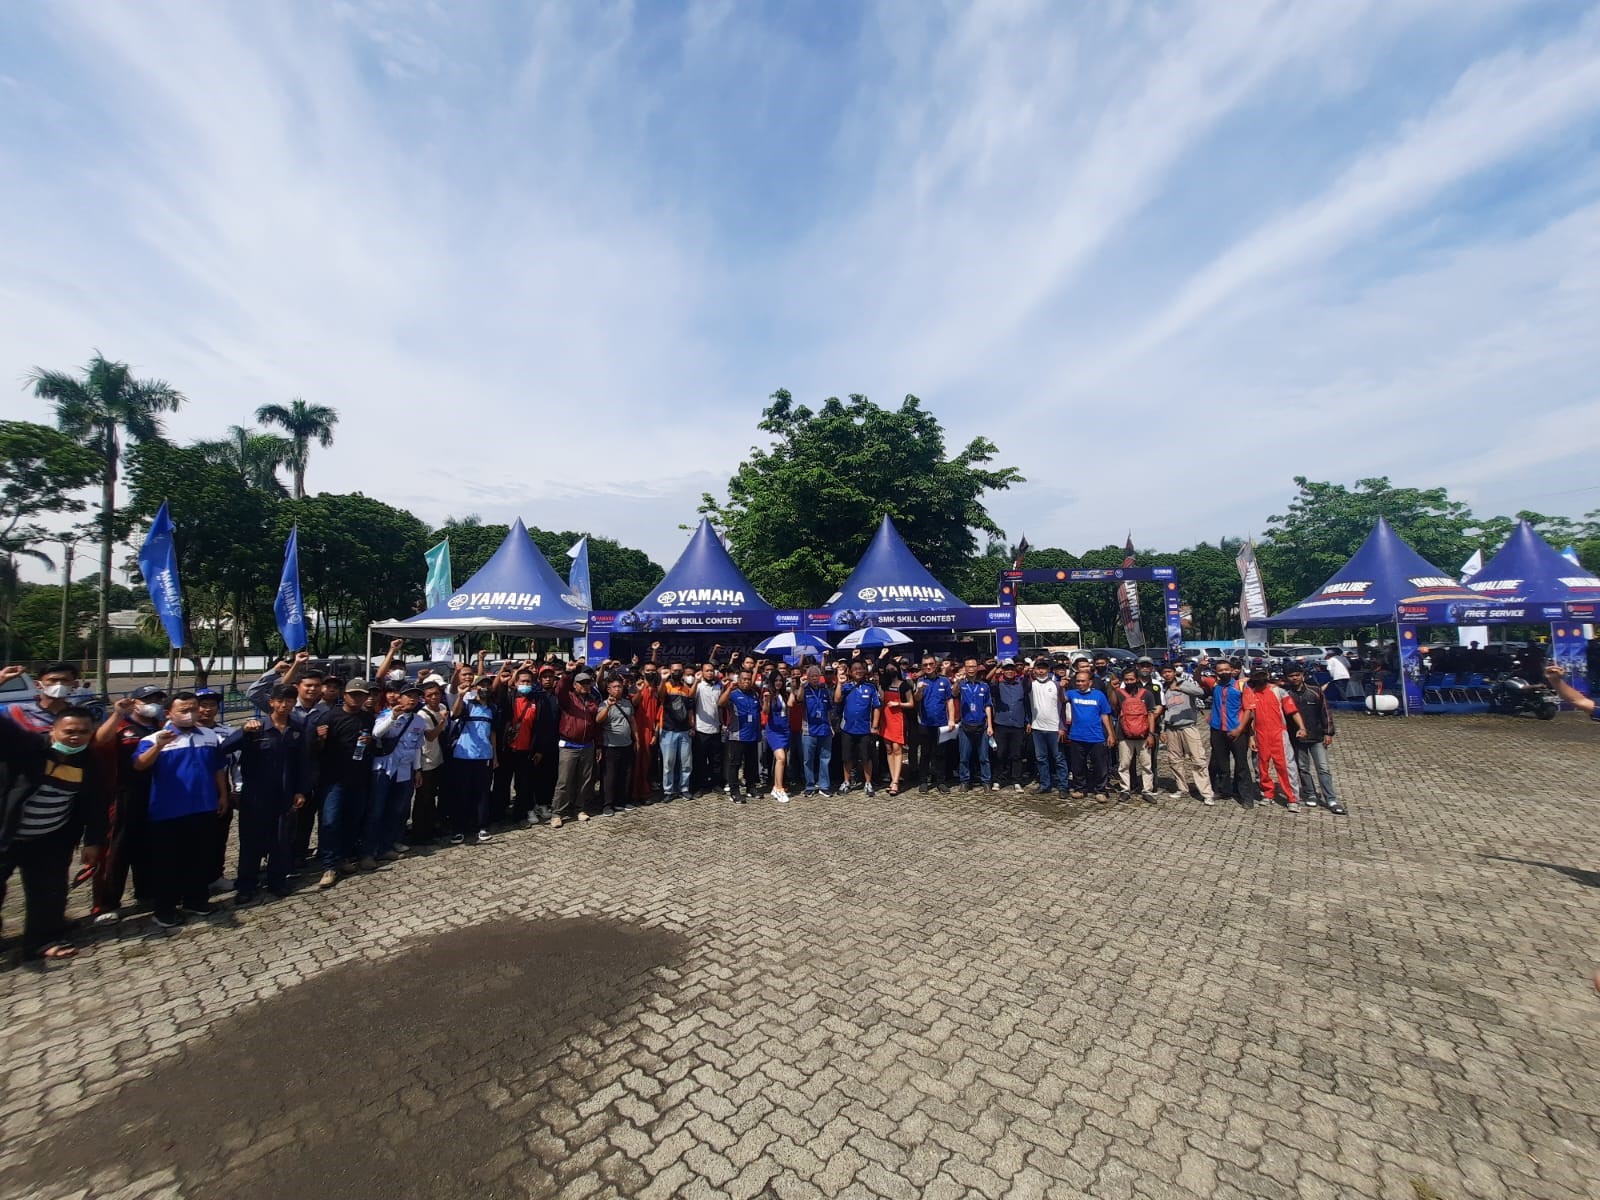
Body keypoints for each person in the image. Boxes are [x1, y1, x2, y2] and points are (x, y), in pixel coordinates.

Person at [0, 698, 109, 960]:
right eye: (69, 731)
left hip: (50, 839)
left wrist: (93, 841)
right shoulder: (30, 749)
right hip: (7, 836)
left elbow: (95, 805)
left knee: (49, 891)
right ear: (53, 730)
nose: (75, 737)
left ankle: (41, 940)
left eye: (83, 732)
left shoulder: (89, 763)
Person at [133, 692, 230, 927]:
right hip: (169, 811)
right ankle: (164, 909)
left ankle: (195, 901)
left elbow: (217, 767)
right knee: (168, 862)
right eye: (184, 710)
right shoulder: (153, 739)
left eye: (193, 709)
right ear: (169, 713)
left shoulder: (209, 736)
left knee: (200, 857)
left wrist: (223, 794)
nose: (190, 714)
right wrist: (159, 746)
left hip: (204, 806)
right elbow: (139, 764)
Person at [91, 685, 165, 922]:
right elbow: (100, 741)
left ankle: (146, 890)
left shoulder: (160, 727)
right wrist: (117, 713)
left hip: (153, 792)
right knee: (118, 848)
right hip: (124, 792)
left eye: (157, 700)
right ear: (135, 702)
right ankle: (108, 902)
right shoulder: (122, 725)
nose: (153, 704)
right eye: (148, 700)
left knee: (148, 844)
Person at [234, 684, 310, 900]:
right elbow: (226, 748)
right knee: (251, 842)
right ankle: (246, 885)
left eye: (289, 700)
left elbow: (302, 764)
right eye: (280, 700)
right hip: (255, 796)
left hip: (284, 796)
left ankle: (277, 881)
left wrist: (301, 791)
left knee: (281, 841)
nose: (284, 705)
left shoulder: (297, 729)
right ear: (271, 703)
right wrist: (243, 731)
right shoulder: (256, 728)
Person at [310, 678, 376, 886]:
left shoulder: (368, 719)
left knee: (352, 820)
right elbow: (313, 750)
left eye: (361, 695)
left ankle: (345, 857)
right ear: (344, 695)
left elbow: (374, 748)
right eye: (353, 694)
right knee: (330, 821)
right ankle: (329, 865)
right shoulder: (329, 717)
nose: (356, 698)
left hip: (358, 777)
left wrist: (370, 742)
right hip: (333, 779)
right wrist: (320, 739)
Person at [365, 682, 431, 861]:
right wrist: (393, 717)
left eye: (416, 696)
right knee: (377, 810)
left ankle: (387, 846)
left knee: (397, 809)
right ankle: (369, 850)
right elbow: (377, 733)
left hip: (405, 770)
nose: (412, 699)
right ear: (400, 698)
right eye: (409, 696)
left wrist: (417, 769)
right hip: (384, 769)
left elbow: (417, 747)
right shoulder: (386, 714)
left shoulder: (418, 720)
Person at [1237, 665, 1308, 812]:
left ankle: (1292, 799)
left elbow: (1293, 711)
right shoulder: (1250, 693)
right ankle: (1267, 794)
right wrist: (1251, 737)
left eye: (1262, 675)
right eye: (1257, 675)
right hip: (1260, 735)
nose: (1260, 678)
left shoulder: (1279, 691)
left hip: (1279, 734)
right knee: (1261, 767)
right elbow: (1248, 718)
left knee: (1285, 767)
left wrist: (1302, 727)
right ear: (1252, 677)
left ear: (1267, 675)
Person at [1283, 664, 1346, 815]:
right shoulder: (1286, 694)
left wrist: (1328, 733)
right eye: (1291, 676)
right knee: (1303, 768)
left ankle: (1331, 799)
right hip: (1297, 739)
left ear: (1302, 675)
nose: (1295, 678)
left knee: (1323, 768)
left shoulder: (1315, 691)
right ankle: (1310, 793)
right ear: (1287, 678)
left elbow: (1326, 712)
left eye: (1297, 675)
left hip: (1317, 737)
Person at [448, 675, 498, 844]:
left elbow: (493, 733)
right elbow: (454, 714)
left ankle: (482, 826)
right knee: (461, 793)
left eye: (488, 685)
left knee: (483, 793)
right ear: (475, 688)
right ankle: (459, 829)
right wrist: (460, 696)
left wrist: (495, 756)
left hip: (485, 756)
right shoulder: (467, 704)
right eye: (481, 685)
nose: (485, 688)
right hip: (463, 756)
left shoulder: (493, 708)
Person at [1158, 664, 1214, 806]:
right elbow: (1164, 710)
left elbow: (1200, 692)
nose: (1167, 674)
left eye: (1169, 672)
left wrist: (1181, 688)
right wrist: (1163, 730)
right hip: (1171, 728)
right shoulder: (1163, 688)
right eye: (1164, 672)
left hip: (1188, 726)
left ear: (1174, 672)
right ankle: (1182, 788)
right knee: (1174, 760)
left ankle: (1206, 793)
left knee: (1198, 759)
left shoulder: (1184, 683)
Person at [552, 667, 600, 827]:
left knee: (584, 781)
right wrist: (566, 673)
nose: (585, 685)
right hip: (569, 746)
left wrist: (598, 745)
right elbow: (560, 690)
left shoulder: (593, 700)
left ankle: (580, 808)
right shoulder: (568, 698)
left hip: (588, 745)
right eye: (582, 683)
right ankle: (557, 812)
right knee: (564, 781)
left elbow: (596, 724)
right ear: (575, 685)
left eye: (588, 682)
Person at [1064, 665, 1115, 799]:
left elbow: (1105, 715)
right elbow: (1060, 700)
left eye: (1083, 681)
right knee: (1078, 766)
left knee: (1099, 765)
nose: (1080, 683)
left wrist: (1110, 734)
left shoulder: (1099, 696)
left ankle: (1100, 790)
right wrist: (1060, 686)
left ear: (1090, 682)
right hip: (1077, 735)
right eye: (1078, 681)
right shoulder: (1072, 694)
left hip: (1096, 736)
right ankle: (1080, 788)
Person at [833, 659, 882, 796]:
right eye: (855, 669)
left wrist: (875, 726)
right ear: (850, 671)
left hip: (865, 729)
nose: (858, 671)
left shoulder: (871, 687)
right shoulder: (846, 686)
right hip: (848, 728)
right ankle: (846, 782)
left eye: (860, 668)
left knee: (866, 758)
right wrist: (839, 683)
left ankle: (868, 783)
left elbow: (877, 707)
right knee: (847, 758)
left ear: (864, 671)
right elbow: (836, 699)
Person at [1208, 660, 1254, 805]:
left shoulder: (1241, 685)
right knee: (1222, 763)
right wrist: (1201, 667)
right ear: (1216, 672)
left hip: (1237, 730)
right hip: (1217, 730)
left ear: (1231, 670)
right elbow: (1198, 679)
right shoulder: (1215, 685)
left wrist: (1239, 729)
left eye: (1226, 669)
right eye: (1220, 670)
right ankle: (1224, 791)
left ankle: (1245, 796)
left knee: (1241, 765)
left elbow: (1248, 710)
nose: (1224, 672)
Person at [1114, 667, 1162, 802]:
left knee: (1146, 764)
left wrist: (1151, 734)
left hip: (1144, 734)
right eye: (1126, 679)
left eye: (1132, 679)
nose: (1129, 682)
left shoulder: (1147, 694)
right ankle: (1125, 790)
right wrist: (1113, 689)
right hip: (1124, 735)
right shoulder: (1118, 693)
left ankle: (1147, 790)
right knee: (1124, 764)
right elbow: (1113, 706)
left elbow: (1151, 715)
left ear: (1137, 679)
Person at [910, 655, 956, 794]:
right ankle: (923, 781)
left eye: (931, 664)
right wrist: (919, 689)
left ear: (936, 665)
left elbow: (949, 701)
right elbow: (917, 699)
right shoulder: (920, 681)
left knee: (941, 754)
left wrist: (951, 719)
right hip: (925, 723)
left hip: (941, 723)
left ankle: (940, 781)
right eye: (925, 665)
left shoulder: (944, 681)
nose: (928, 667)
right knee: (925, 754)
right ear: (922, 667)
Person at [596, 677, 640, 815]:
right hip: (610, 745)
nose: (617, 689)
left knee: (625, 774)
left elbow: (632, 721)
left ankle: (622, 801)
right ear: (609, 689)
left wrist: (637, 739)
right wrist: (608, 707)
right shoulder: (603, 704)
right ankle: (607, 804)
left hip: (626, 744)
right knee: (609, 776)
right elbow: (598, 720)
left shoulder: (627, 703)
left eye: (620, 686)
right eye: (614, 687)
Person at [1025, 657, 1068, 796]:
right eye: (1038, 668)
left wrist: (1062, 727)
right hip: (1037, 728)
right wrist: (1026, 673)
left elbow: (1063, 707)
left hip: (1054, 728)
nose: (1041, 671)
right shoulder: (1031, 685)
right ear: (1035, 670)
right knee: (1041, 758)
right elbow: (1024, 687)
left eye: (1043, 668)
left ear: (1048, 670)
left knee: (1059, 758)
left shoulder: (1056, 685)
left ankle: (1063, 787)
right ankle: (1045, 784)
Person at [0, 661, 82, 733]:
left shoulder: (81, 715)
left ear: (75, 684)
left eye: (65, 680)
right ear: (38, 684)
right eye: (53, 680)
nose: (59, 684)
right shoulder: (17, 711)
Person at [720, 668, 763, 802]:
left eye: (749, 679)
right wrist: (729, 688)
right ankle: (734, 791)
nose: (746, 682)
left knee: (751, 764)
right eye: (744, 679)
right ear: (738, 680)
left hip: (752, 735)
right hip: (737, 735)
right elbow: (720, 703)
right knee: (735, 764)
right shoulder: (733, 694)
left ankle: (751, 788)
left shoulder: (755, 694)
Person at [987, 659, 1028, 793]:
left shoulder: (1021, 684)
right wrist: (996, 670)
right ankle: (997, 779)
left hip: (1018, 724)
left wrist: (1028, 721)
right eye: (1007, 669)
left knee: (1017, 754)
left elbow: (1027, 702)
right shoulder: (998, 685)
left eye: (1011, 669)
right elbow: (989, 682)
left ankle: (1016, 780)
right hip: (1001, 723)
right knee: (1000, 753)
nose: (1009, 671)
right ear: (1003, 671)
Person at [658, 662, 696, 802]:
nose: (677, 672)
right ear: (670, 671)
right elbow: (660, 696)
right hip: (668, 731)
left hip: (685, 731)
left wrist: (692, 726)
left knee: (686, 763)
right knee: (668, 763)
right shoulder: (666, 686)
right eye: (674, 670)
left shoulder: (686, 688)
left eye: (679, 670)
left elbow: (690, 709)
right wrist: (663, 680)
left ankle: (684, 789)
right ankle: (668, 791)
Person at [955, 658, 994, 793]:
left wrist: (990, 725)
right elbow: (954, 693)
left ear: (977, 668)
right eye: (968, 666)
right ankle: (964, 781)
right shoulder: (961, 684)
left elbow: (988, 705)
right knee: (964, 757)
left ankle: (986, 782)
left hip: (981, 726)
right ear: (964, 668)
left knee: (984, 757)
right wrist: (957, 682)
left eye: (973, 666)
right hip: (965, 726)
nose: (971, 669)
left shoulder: (984, 686)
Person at [797, 665, 834, 797]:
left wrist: (830, 726)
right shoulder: (805, 690)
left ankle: (824, 786)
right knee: (808, 760)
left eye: (816, 676)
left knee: (825, 758)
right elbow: (799, 699)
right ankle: (810, 785)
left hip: (824, 729)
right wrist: (801, 686)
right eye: (812, 676)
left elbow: (828, 710)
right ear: (807, 677)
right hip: (809, 730)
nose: (814, 678)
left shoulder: (824, 691)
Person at [691, 661, 725, 796]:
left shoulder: (718, 686)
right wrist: (696, 681)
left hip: (716, 728)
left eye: (712, 670)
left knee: (716, 759)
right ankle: (701, 785)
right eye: (707, 671)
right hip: (701, 729)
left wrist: (722, 723)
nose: (710, 673)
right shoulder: (699, 686)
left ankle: (716, 784)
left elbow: (720, 707)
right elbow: (690, 698)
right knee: (700, 760)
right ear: (702, 672)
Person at [878, 664, 911, 796]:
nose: (890, 671)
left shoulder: (904, 685)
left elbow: (911, 703)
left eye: (892, 668)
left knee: (897, 749)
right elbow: (881, 700)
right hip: (885, 719)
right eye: (888, 669)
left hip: (898, 719)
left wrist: (898, 704)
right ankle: (893, 779)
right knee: (888, 749)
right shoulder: (884, 685)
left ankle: (896, 781)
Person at [762, 666, 793, 803]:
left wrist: (793, 688)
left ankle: (776, 786)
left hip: (785, 729)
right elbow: (765, 711)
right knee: (781, 758)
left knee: (781, 760)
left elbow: (790, 705)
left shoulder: (784, 694)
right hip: (774, 730)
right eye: (776, 680)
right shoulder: (769, 694)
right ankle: (780, 789)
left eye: (780, 680)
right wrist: (766, 700)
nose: (778, 683)